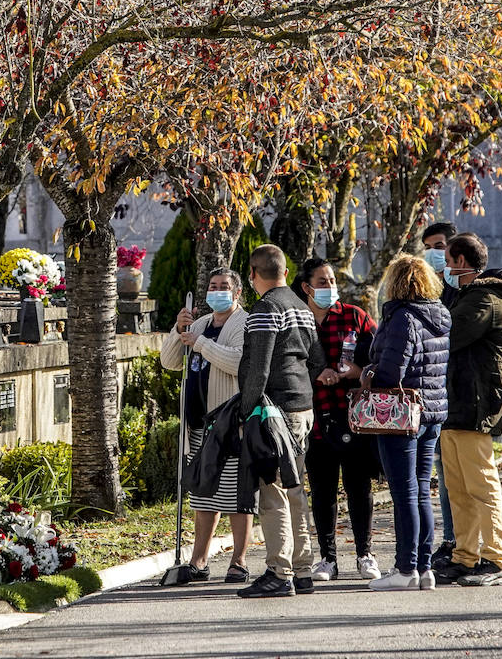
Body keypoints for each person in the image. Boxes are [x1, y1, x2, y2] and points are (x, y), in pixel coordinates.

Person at [235, 244, 325, 599]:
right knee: (295, 489)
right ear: (285, 272)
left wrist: (247, 412)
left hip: (274, 411)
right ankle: (303, 570)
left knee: (271, 493)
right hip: (304, 407)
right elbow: (316, 360)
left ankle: (278, 571)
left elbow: (258, 369)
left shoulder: (264, 309)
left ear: (253, 275)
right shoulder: (302, 308)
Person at [435, 233, 502, 588]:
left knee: (481, 485)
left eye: (449, 262)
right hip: (457, 403)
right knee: (458, 487)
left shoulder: (483, 299)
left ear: (464, 264)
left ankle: (495, 558)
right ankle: (465, 555)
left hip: (476, 403)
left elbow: (445, 335)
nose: (445, 269)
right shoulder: (468, 295)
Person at [361, 254, 450, 591]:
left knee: (405, 493)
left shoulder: (402, 317)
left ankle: (405, 568)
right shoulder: (440, 314)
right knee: (422, 491)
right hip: (432, 413)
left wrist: (370, 373)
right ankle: (424, 568)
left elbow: (391, 371)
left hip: (400, 416)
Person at [160, 268, 253, 584]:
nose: (217, 291)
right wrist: (178, 329)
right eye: (213, 286)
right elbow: (169, 362)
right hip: (198, 423)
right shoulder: (199, 324)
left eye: (224, 287)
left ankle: (238, 560)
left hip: (229, 423)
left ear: (236, 293)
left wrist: (200, 344)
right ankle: (198, 561)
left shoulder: (244, 324)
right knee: (204, 495)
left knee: (235, 495)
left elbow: (240, 363)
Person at [293, 257, 381, 582]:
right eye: (322, 281)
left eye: (332, 281)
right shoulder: (297, 322)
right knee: (322, 490)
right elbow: (286, 365)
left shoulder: (354, 317)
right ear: (306, 287)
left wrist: (359, 373)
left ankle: (365, 554)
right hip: (313, 418)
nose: (329, 287)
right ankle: (327, 558)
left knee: (359, 488)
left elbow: (379, 360)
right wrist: (317, 374)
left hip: (354, 418)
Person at [421, 220, 459, 568]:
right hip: (436, 398)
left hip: (457, 399)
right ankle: (451, 541)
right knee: (444, 478)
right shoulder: (431, 291)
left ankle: (460, 543)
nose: (435, 253)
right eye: (429, 247)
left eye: (440, 245)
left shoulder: (463, 290)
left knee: (458, 478)